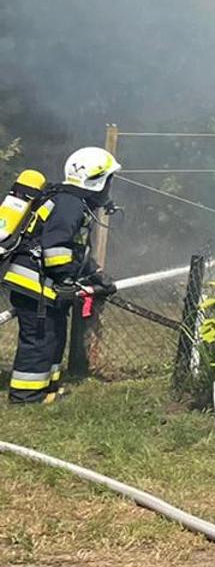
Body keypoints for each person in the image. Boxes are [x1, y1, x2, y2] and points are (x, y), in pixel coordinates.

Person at [5, 147, 121, 404]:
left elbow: (75, 249)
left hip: (46, 285)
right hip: (35, 283)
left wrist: (94, 275)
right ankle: (25, 396)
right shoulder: (70, 204)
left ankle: (47, 389)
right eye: (109, 180)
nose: (109, 187)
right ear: (97, 181)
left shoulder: (72, 202)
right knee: (39, 340)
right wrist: (66, 279)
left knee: (54, 337)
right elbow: (56, 248)